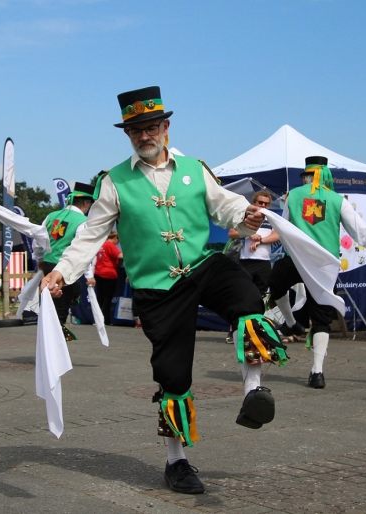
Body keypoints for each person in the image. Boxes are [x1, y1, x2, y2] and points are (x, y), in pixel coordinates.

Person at [41, 86, 285, 495]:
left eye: (151, 127)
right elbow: (90, 236)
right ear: (128, 134)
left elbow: (224, 205)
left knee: (245, 298)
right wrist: (61, 273)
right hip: (157, 287)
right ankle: (177, 462)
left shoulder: (193, 168)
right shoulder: (113, 182)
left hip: (200, 265)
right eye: (136, 130)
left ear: (166, 127)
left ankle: (254, 390)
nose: (144, 135)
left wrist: (246, 215)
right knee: (173, 375)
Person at [261, 156, 366, 389]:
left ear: (308, 176)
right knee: (320, 316)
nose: (303, 179)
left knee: (276, 284)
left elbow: (282, 227)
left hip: (298, 259)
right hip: (324, 265)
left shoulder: (293, 196)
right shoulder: (336, 200)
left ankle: (292, 323)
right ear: (325, 176)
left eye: (305, 175)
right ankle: (317, 372)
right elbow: (361, 231)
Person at [39, 182, 96, 340]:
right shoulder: (82, 221)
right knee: (61, 306)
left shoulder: (51, 216)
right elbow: (82, 249)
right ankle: (55, 342)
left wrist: (39, 259)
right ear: (86, 203)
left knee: (52, 302)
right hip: (65, 266)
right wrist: (89, 275)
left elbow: (38, 240)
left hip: (48, 263)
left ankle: (53, 337)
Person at [227, 191, 274, 296]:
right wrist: (250, 234)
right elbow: (231, 233)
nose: (263, 205)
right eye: (260, 202)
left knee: (261, 295)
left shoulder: (272, 219)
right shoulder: (244, 216)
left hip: (264, 263)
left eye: (266, 204)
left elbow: (276, 236)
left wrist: (260, 241)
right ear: (254, 203)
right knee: (242, 293)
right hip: (245, 261)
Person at [90, 231, 123, 325]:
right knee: (107, 299)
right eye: (118, 240)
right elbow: (120, 255)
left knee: (100, 298)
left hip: (99, 272)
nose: (118, 242)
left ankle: (97, 320)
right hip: (109, 274)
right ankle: (105, 320)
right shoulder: (110, 245)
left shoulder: (101, 244)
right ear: (115, 238)